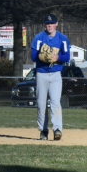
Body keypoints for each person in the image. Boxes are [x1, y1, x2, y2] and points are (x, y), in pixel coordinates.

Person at [31, 13, 70, 141]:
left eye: (52, 23)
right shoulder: (39, 38)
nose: (50, 26)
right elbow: (33, 56)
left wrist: (57, 57)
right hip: (41, 73)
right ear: (45, 25)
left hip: (56, 74)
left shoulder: (62, 38)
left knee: (55, 102)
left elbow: (67, 57)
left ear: (56, 24)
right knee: (41, 104)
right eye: (48, 24)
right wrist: (43, 56)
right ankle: (43, 131)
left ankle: (57, 129)